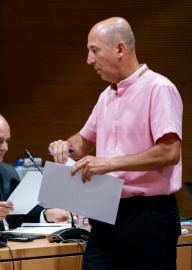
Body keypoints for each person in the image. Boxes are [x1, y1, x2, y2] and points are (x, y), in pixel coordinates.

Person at [48, 17, 182, 269]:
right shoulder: (107, 95)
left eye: (94, 50)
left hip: (148, 216)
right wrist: (66, 146)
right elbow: (84, 142)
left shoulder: (159, 88)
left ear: (119, 49)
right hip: (105, 213)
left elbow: (170, 152)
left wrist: (108, 164)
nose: (89, 60)